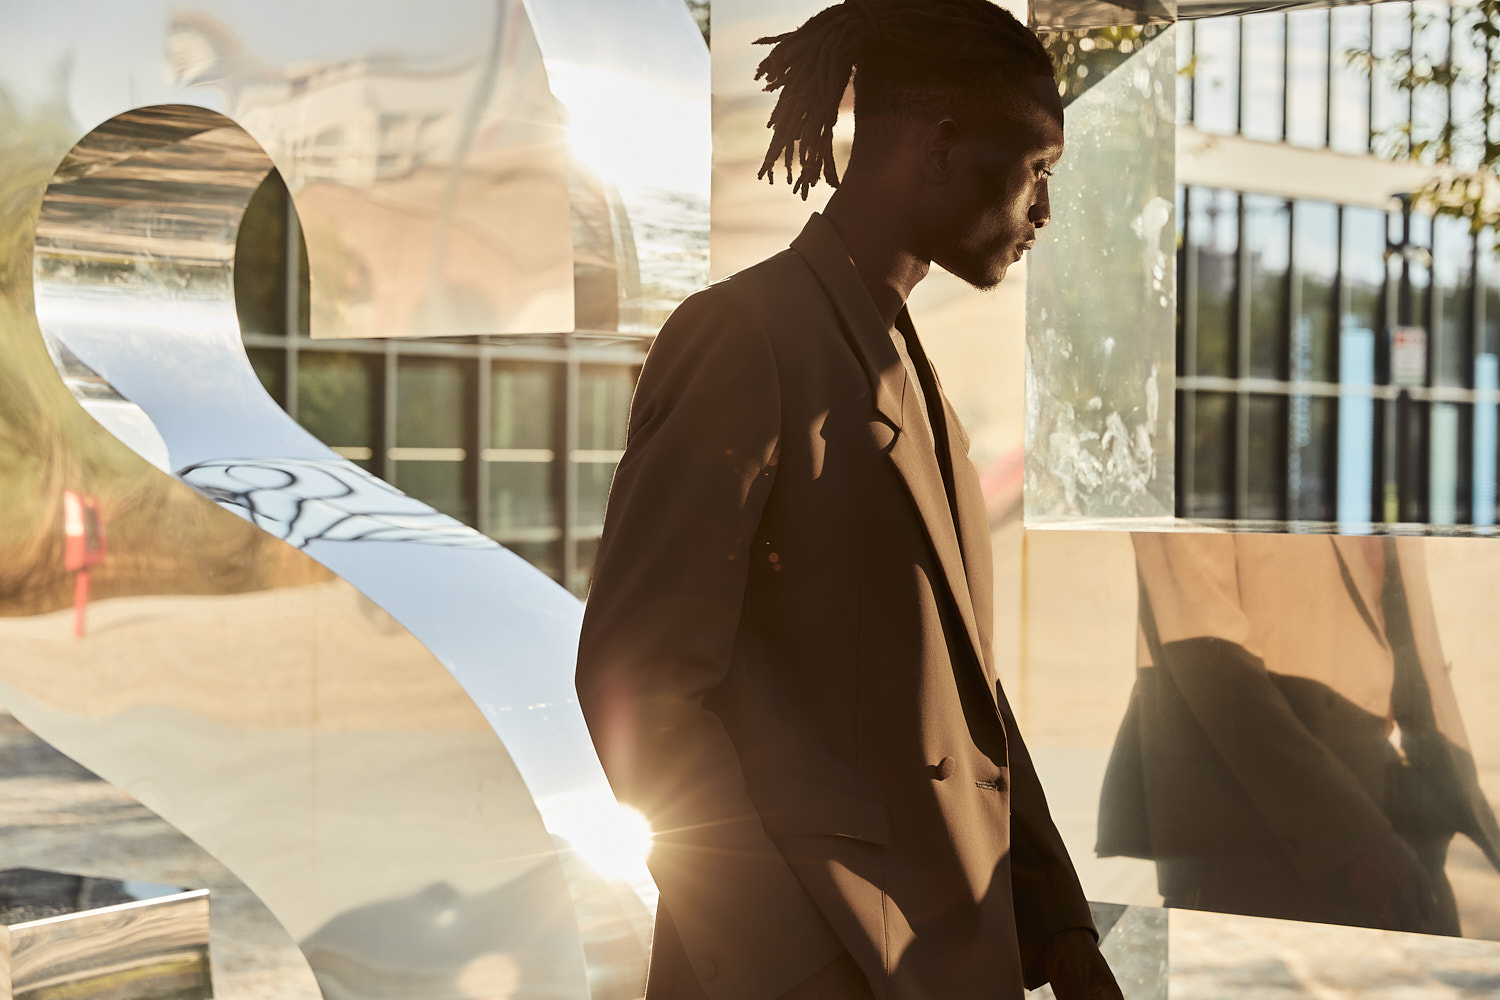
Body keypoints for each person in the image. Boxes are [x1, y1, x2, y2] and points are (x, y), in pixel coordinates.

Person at [576, 2, 1121, 998]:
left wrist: (1057, 928)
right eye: (1037, 169)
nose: (1045, 211)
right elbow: (638, 688)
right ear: (943, 147)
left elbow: (966, 697)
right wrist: (800, 971)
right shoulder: (743, 336)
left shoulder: (911, 369)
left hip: (938, 955)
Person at [1099, 532, 1500, 935]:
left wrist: (1437, 800)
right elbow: (1208, 660)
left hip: (1405, 829)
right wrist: (1355, 838)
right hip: (1256, 855)